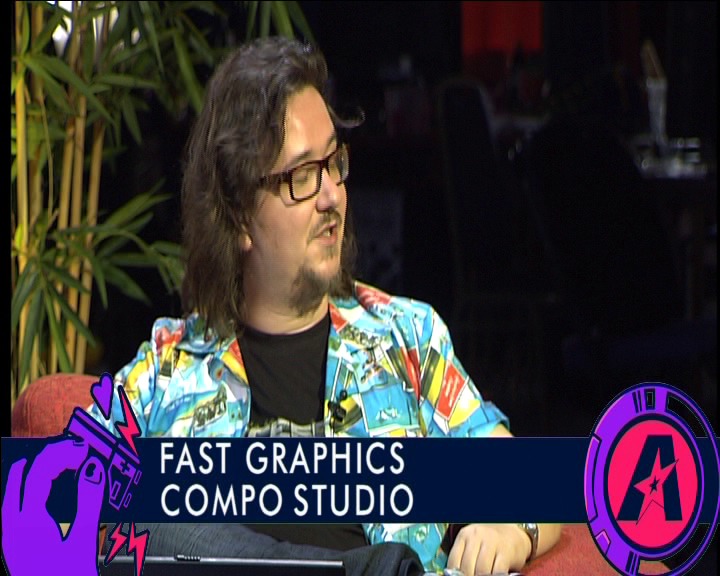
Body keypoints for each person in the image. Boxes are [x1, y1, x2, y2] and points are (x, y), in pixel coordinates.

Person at [89, 36, 561, 575]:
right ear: (239, 215)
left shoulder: (407, 339)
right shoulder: (166, 369)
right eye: (302, 176)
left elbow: (541, 487)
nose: (332, 195)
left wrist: (513, 530)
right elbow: (52, 497)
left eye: (334, 163)